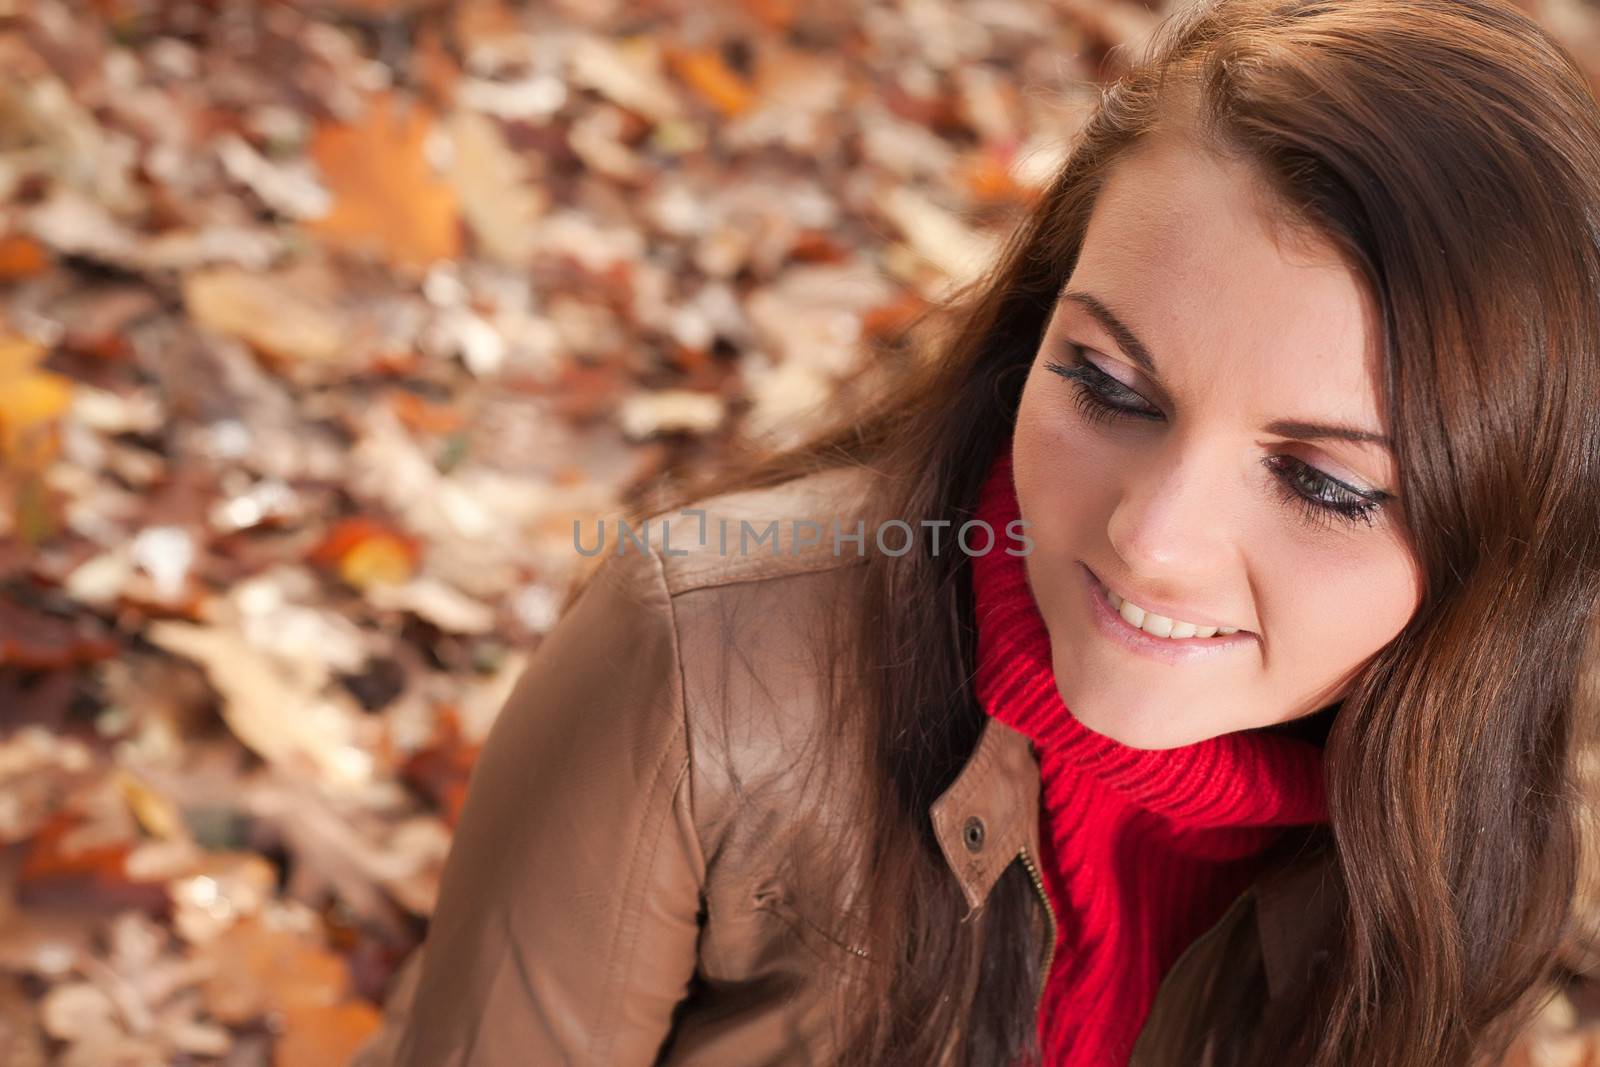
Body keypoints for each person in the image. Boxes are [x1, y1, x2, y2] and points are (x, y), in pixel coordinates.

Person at [353, 0, 1600, 1062]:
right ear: (1033, 332)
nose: (1151, 536)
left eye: (1325, 484)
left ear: (1509, 543)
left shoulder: (1474, 828)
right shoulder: (703, 667)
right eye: (1109, 387)